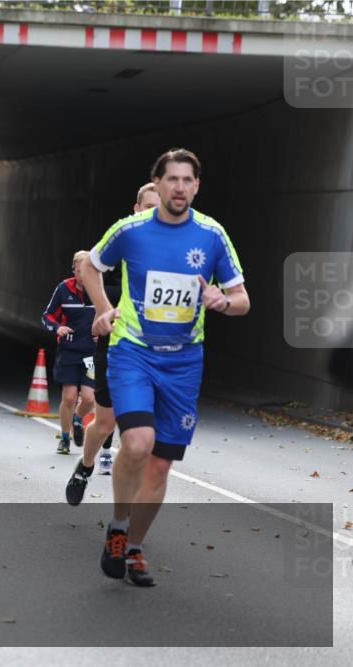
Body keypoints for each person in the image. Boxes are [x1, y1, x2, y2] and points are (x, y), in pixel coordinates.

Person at [85, 148, 249, 586]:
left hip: (183, 363)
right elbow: (90, 264)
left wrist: (222, 301)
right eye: (171, 180)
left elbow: (243, 301)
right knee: (137, 444)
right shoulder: (131, 230)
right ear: (156, 185)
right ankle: (118, 525)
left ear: (197, 186)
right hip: (133, 352)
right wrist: (103, 308)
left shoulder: (212, 235)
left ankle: (134, 547)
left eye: (187, 180)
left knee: (159, 465)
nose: (179, 188)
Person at [66, 183, 160, 507]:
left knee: (139, 435)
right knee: (104, 424)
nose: (153, 214)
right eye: (147, 206)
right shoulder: (127, 236)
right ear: (136, 209)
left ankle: (126, 517)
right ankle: (86, 465)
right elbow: (89, 267)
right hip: (118, 343)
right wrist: (105, 310)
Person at [42, 251, 97, 455]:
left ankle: (77, 419)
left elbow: (112, 314)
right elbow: (47, 316)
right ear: (74, 270)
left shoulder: (98, 289)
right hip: (69, 353)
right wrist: (58, 328)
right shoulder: (64, 289)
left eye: (88, 270)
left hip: (91, 356)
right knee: (69, 397)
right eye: (79, 270)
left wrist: (104, 330)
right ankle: (65, 439)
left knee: (89, 399)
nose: (83, 274)